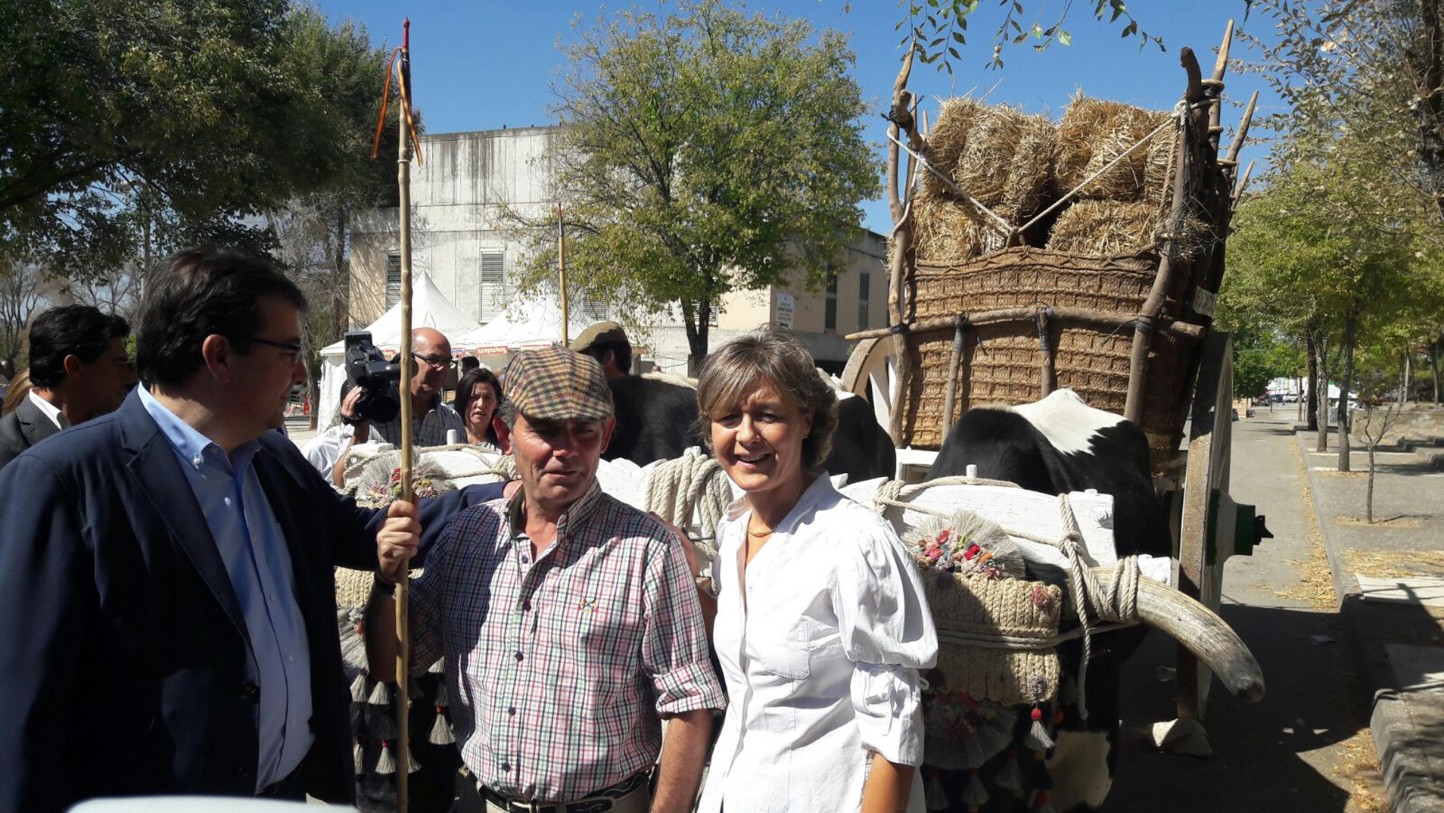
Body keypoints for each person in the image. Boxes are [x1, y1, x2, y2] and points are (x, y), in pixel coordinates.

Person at [0, 247, 504, 812]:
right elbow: (22, 713)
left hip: (281, 794)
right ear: (218, 355)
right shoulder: (63, 483)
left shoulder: (273, 461)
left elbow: (364, 535)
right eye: (289, 350)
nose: (299, 373)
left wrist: (503, 493)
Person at [366, 345, 724, 813]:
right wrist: (388, 579)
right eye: (545, 429)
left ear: (607, 434)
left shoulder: (649, 552)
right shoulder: (466, 539)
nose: (566, 450)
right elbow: (392, 663)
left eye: (583, 431)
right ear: (504, 432)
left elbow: (690, 706)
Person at [692, 330, 937, 813]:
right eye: (727, 417)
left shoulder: (855, 542)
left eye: (767, 415)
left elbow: (896, 722)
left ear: (806, 421)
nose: (745, 435)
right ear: (709, 432)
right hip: (733, 792)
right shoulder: (734, 531)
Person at [0, 304, 134, 469]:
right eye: (119, 365)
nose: (130, 377)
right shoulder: (7, 446)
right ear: (74, 367)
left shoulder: (124, 434)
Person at [332, 327, 466, 483]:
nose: (442, 368)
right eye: (433, 360)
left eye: (447, 361)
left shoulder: (451, 419)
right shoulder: (372, 413)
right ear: (405, 361)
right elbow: (340, 480)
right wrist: (360, 432)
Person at [452, 365, 504, 451]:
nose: (481, 404)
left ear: (497, 403)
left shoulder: (505, 445)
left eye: (487, 398)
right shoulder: (449, 438)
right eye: (473, 397)